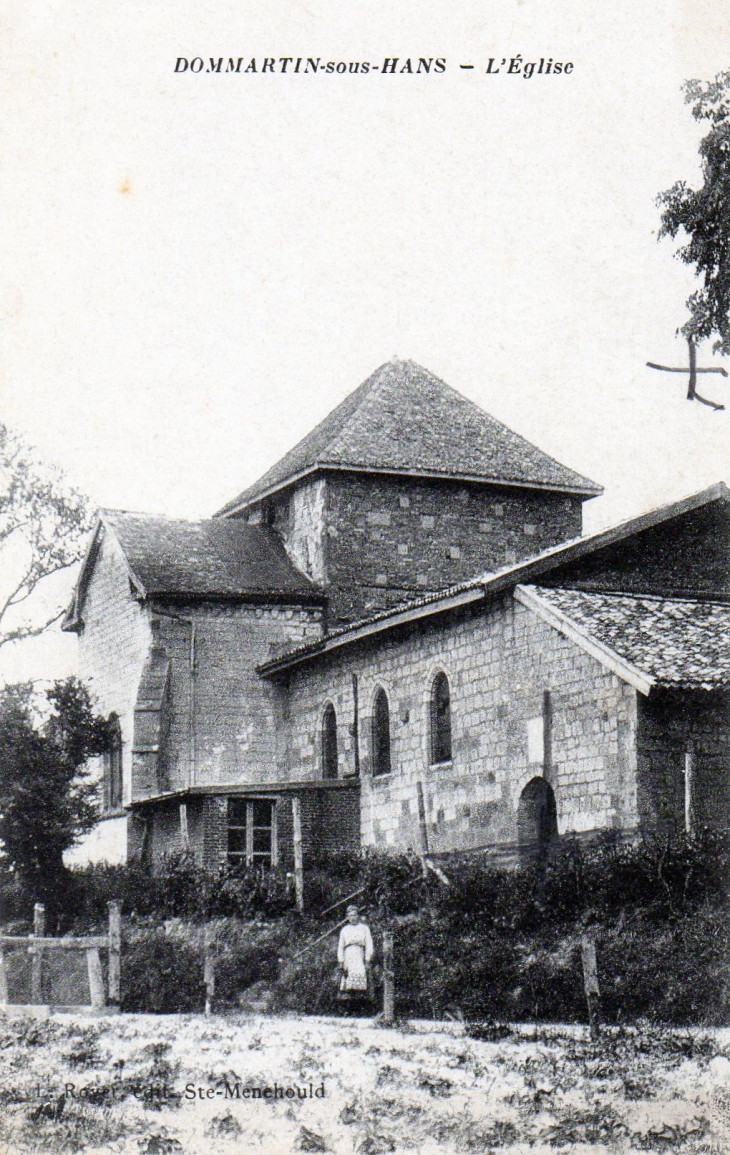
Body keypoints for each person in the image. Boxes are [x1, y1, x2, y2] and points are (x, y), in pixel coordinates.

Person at [337, 905, 374, 1008]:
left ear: (358, 916)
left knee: (361, 982)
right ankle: (348, 1008)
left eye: (354, 915)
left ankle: (361, 1007)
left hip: (359, 956)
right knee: (348, 983)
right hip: (348, 956)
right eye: (350, 916)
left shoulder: (364, 928)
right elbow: (340, 947)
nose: (352, 918)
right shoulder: (344, 930)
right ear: (347, 917)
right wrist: (341, 961)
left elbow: (369, 945)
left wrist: (367, 960)